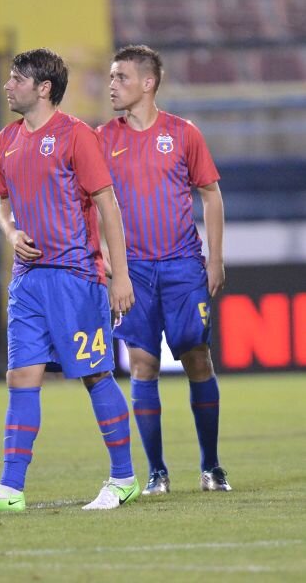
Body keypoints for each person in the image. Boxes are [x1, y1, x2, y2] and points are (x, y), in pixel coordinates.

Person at [0, 48, 139, 513]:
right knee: (21, 375)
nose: (7, 85)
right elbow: (2, 206)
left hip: (76, 276)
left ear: (43, 88)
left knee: (94, 373)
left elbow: (108, 205)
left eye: (16, 79)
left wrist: (120, 276)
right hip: (27, 281)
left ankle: (124, 479)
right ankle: (11, 488)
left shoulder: (76, 135)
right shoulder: (6, 139)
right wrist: (11, 232)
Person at [99, 44, 229, 495]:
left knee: (197, 356)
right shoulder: (102, 138)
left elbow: (211, 194)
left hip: (182, 266)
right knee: (142, 364)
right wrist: (105, 256)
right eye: (111, 77)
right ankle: (157, 472)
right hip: (133, 270)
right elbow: (88, 200)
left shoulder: (183, 133)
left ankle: (211, 467)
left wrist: (215, 258)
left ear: (148, 82)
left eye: (121, 77)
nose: (112, 85)